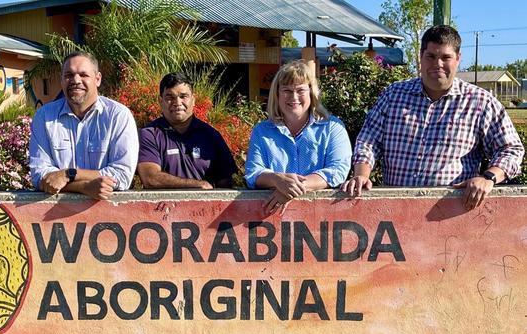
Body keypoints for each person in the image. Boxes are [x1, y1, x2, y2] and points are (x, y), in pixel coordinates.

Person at [341, 25, 524, 210]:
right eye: (431, 56)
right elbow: (368, 140)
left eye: (446, 57)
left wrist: (489, 178)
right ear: (421, 57)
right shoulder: (393, 95)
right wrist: (362, 174)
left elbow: (511, 149)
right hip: (395, 212)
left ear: (458, 59)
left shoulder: (481, 102)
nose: (438, 64)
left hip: (453, 214)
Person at [244, 60, 352, 214]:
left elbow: (337, 170)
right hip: (270, 219)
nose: (293, 97)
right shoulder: (262, 131)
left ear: (311, 93)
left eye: (300, 90)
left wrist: (291, 188)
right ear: (277, 94)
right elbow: (253, 173)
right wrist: (277, 180)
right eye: (286, 90)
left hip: (322, 218)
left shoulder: (333, 128)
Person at [29, 52, 138, 199]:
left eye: (83, 75)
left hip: (109, 215)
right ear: (62, 80)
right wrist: (84, 187)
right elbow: (40, 175)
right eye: (68, 75)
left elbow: (122, 174)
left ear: (97, 79)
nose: (75, 80)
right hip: (54, 216)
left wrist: (68, 174)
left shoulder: (118, 116)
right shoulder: (44, 117)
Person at [137, 72, 237, 189]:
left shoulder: (211, 135)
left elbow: (225, 185)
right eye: (170, 97)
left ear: (193, 100)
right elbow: (150, 179)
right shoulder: (149, 134)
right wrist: (197, 185)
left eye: (183, 96)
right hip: (161, 207)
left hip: (206, 206)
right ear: (160, 101)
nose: (177, 103)